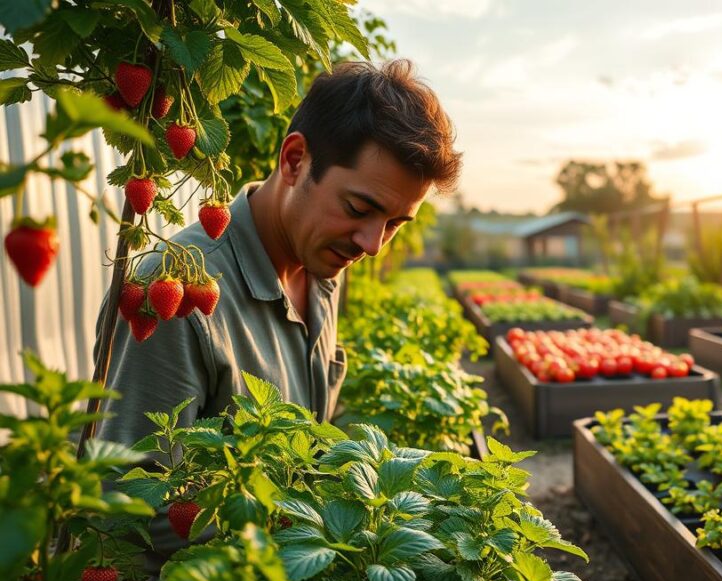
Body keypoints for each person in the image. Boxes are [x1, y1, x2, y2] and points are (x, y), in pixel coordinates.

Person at [96, 59, 462, 449]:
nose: (372, 245)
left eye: (394, 224)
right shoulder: (178, 301)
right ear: (294, 160)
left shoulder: (323, 267)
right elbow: (127, 500)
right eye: (358, 209)